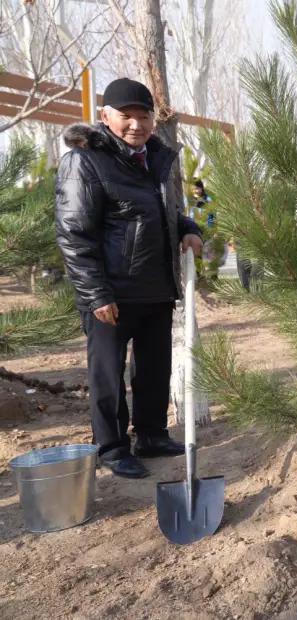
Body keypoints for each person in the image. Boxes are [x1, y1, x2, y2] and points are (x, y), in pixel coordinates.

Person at [55, 78, 204, 479]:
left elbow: (161, 213)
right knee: (107, 375)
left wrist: (189, 229)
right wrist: (96, 294)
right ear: (105, 117)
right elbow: (74, 234)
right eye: (126, 116)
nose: (136, 124)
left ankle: (151, 434)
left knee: (154, 369)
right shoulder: (85, 161)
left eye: (144, 116)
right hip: (111, 293)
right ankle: (112, 447)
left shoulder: (155, 158)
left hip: (155, 287)